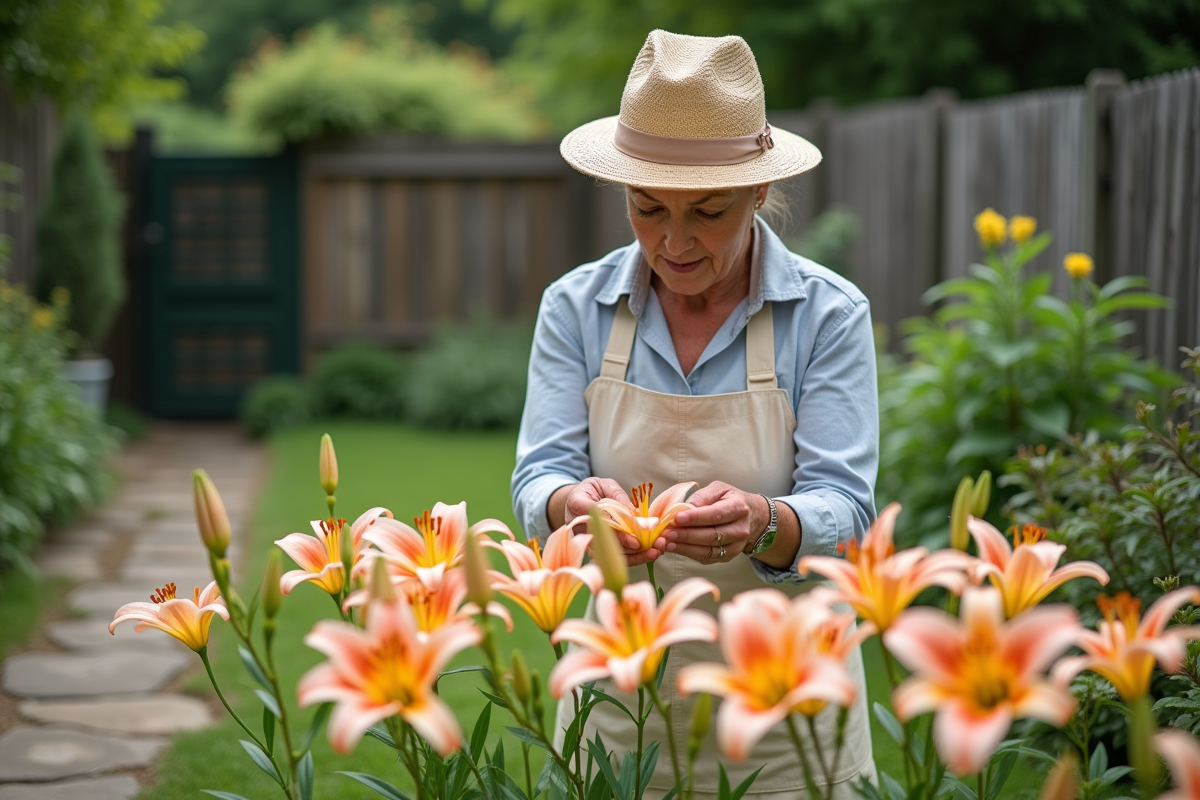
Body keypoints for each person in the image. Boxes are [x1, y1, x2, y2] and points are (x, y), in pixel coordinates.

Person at [511, 29, 879, 799]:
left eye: (707, 213)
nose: (672, 243)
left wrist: (764, 520)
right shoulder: (575, 307)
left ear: (758, 194)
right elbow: (536, 480)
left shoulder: (828, 315)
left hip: (788, 720)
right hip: (619, 705)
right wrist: (571, 505)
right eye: (647, 209)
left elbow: (848, 510)